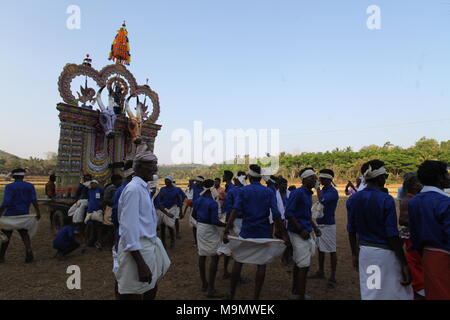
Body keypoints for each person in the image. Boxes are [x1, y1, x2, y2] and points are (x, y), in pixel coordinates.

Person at [346, 159, 413, 300]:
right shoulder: (386, 199)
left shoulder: (353, 199)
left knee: (372, 292)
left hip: (366, 252)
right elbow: (392, 234)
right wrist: (404, 263)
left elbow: (351, 230)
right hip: (384, 254)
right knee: (396, 292)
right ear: (381, 177)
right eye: (386, 176)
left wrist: (354, 253)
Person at [223, 164, 288, 300]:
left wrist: (226, 229)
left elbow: (235, 210)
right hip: (263, 232)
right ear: (260, 178)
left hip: (246, 231)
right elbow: (276, 214)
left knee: (238, 261)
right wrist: (283, 233)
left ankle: (232, 295)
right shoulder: (268, 192)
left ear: (249, 177)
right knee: (261, 264)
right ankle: (256, 298)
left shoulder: (243, 191)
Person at [114, 147, 170, 300]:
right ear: (138, 167)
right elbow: (128, 228)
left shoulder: (143, 188)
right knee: (131, 292)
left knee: (149, 287)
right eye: (151, 164)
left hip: (146, 246)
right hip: (136, 250)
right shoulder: (133, 190)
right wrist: (140, 263)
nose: (155, 168)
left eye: (155, 164)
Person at [408, 160, 450, 300]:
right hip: (445, 258)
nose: (448, 177)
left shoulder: (414, 202)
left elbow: (414, 235)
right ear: (440, 178)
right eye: (446, 174)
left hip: (426, 256)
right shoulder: (445, 202)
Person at [285, 168, 322, 300]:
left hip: (305, 230)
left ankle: (296, 291)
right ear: (305, 179)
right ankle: (300, 296)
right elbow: (289, 213)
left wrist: (314, 227)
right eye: (313, 178)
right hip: (298, 233)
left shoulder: (307, 194)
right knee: (304, 265)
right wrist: (300, 229)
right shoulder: (298, 193)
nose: (315, 180)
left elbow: (306, 214)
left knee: (299, 263)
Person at [193, 179, 227, 298]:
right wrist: (225, 224)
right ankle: (211, 288)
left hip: (200, 228)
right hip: (210, 230)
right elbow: (214, 221)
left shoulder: (199, 199)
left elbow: (193, 214)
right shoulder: (212, 203)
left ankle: (204, 283)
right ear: (212, 188)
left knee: (202, 254)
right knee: (215, 257)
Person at [0, 168, 41, 263]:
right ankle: (29, 251)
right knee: (24, 234)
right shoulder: (30, 186)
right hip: (24, 215)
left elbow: (6, 202)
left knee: (6, 236)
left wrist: (0, 213)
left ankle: (1, 257)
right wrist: (38, 212)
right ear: (23, 176)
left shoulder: (9, 187)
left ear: (13, 176)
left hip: (10, 215)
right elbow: (34, 200)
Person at [309, 169, 339, 289]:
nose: (320, 181)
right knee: (321, 249)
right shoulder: (326, 190)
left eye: (322, 179)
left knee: (331, 250)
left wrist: (317, 188)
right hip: (321, 223)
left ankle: (333, 276)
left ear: (328, 180)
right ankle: (321, 271)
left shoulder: (333, 192)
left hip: (328, 225)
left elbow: (322, 200)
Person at [398, 173, 425, 299]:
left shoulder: (417, 199)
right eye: (419, 183)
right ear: (413, 186)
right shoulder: (408, 200)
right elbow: (402, 220)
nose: (421, 185)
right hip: (411, 239)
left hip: (415, 238)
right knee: (415, 267)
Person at [155, 176, 184, 249]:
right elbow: (160, 199)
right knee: (162, 226)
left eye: (167, 180)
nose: (165, 182)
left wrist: (180, 210)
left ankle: (172, 241)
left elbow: (181, 199)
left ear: (171, 181)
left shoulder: (177, 189)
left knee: (170, 226)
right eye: (165, 180)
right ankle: (163, 243)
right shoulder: (162, 189)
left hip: (172, 208)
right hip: (164, 209)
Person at [85, 180, 104, 249]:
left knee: (99, 227)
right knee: (89, 225)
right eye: (91, 184)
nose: (92, 185)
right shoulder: (89, 190)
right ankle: (88, 241)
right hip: (90, 211)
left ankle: (99, 242)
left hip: (97, 211)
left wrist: (101, 203)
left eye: (93, 184)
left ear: (96, 184)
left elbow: (103, 196)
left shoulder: (100, 189)